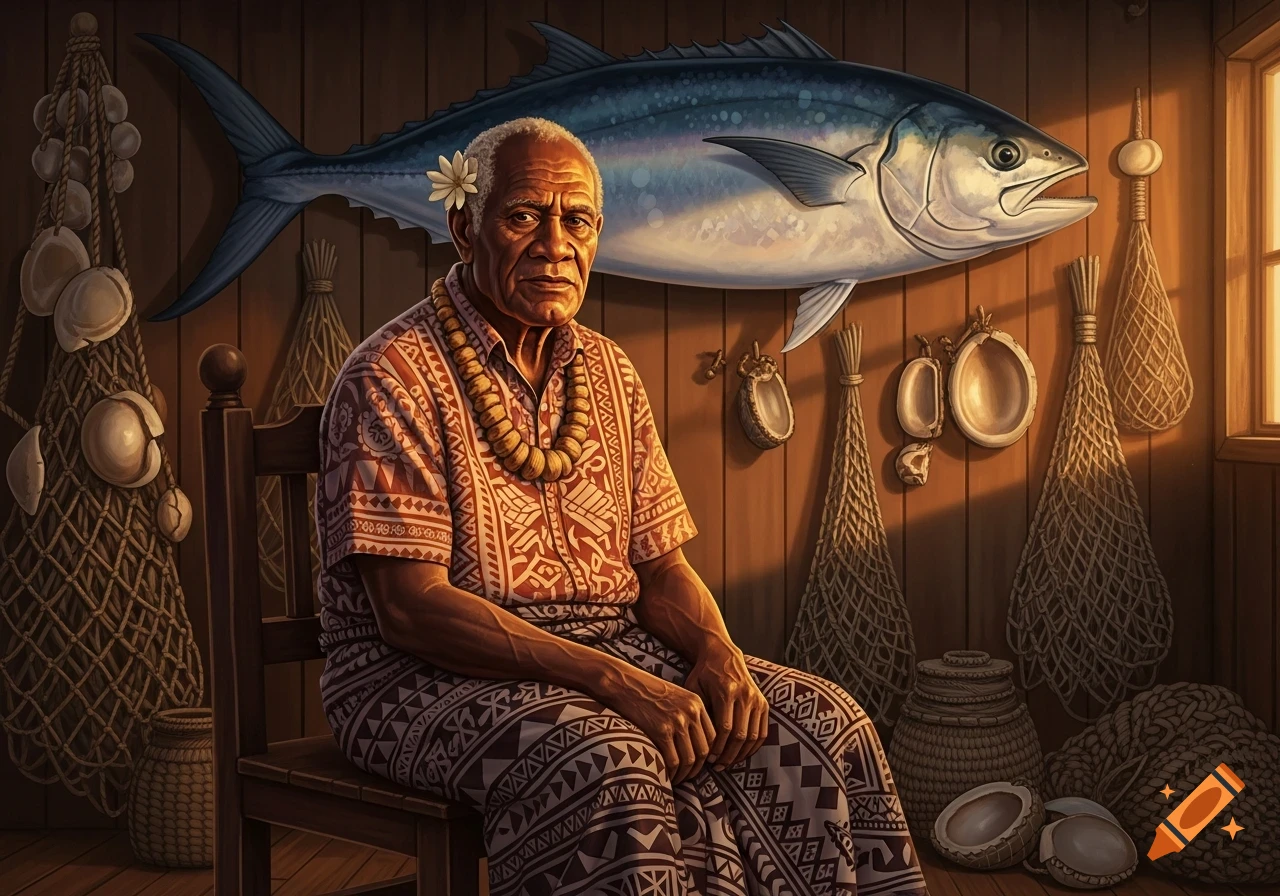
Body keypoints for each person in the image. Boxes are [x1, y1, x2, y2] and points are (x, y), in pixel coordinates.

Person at [316, 116, 930, 896]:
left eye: (577, 221)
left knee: (822, 719)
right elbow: (412, 610)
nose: (554, 245)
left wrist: (717, 652)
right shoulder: (393, 373)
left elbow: (661, 568)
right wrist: (615, 682)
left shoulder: (609, 371)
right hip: (412, 680)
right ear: (464, 226)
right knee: (610, 760)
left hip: (610, 648)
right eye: (523, 216)